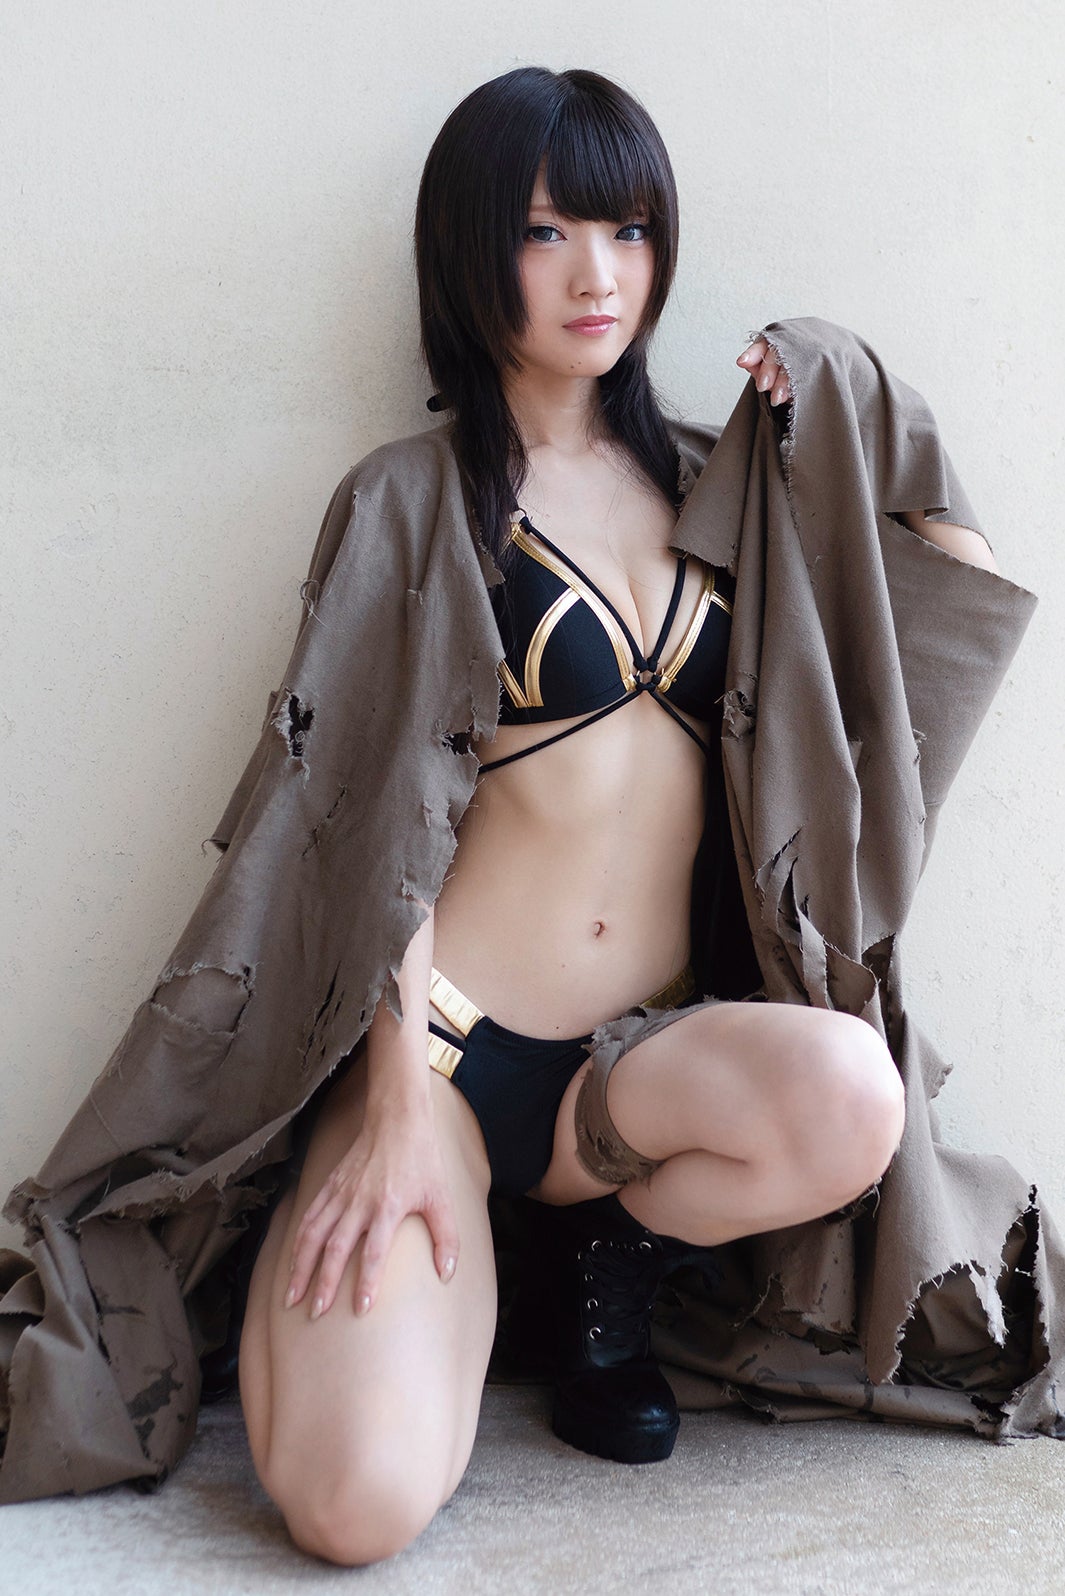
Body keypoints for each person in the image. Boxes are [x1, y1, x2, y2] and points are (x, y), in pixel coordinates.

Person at [3, 63, 1062, 1557]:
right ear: (469, 248)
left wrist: (846, 382)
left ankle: (596, 1256)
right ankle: (412, 1269)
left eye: (626, 232)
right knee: (354, 1508)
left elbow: (947, 602)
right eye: (546, 232)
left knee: (852, 1096)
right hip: (439, 1062)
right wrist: (386, 1110)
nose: (596, 277)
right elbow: (356, 824)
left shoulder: (717, 485)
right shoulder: (409, 499)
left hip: (627, 1084)